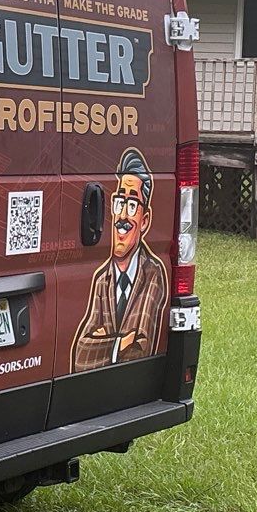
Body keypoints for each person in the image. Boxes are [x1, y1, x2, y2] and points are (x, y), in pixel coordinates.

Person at [71, 147, 168, 371]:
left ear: (144, 220)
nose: (123, 215)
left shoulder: (152, 275)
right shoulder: (102, 280)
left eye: (132, 205)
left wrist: (101, 342)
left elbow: (140, 348)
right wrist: (120, 342)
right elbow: (80, 354)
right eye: (119, 202)